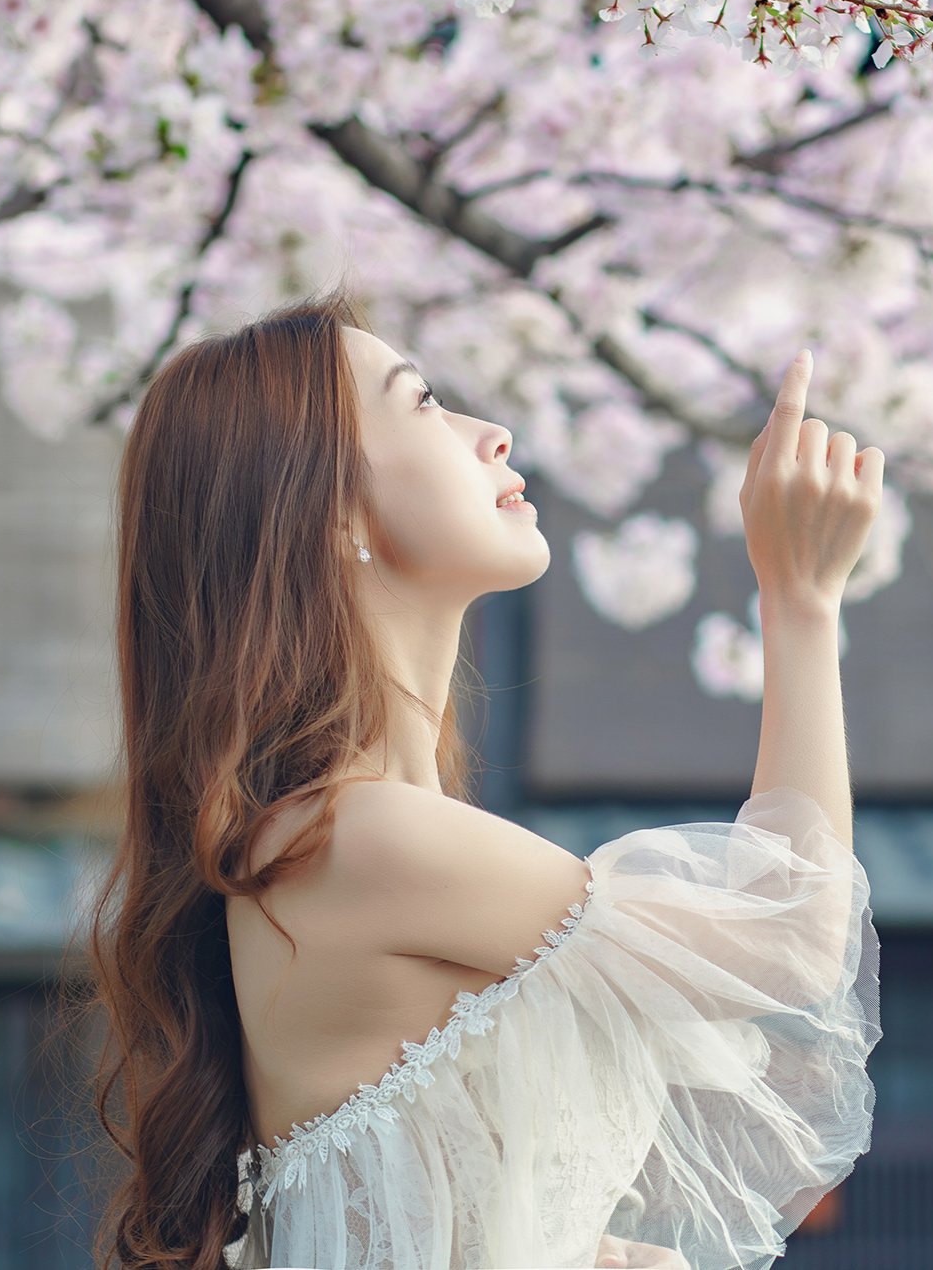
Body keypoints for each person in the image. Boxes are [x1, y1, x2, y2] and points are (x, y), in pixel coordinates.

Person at [82, 296, 883, 1270]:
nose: (490, 433)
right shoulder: (354, 836)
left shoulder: (348, 838)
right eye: (421, 404)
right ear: (334, 515)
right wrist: (798, 601)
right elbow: (791, 944)